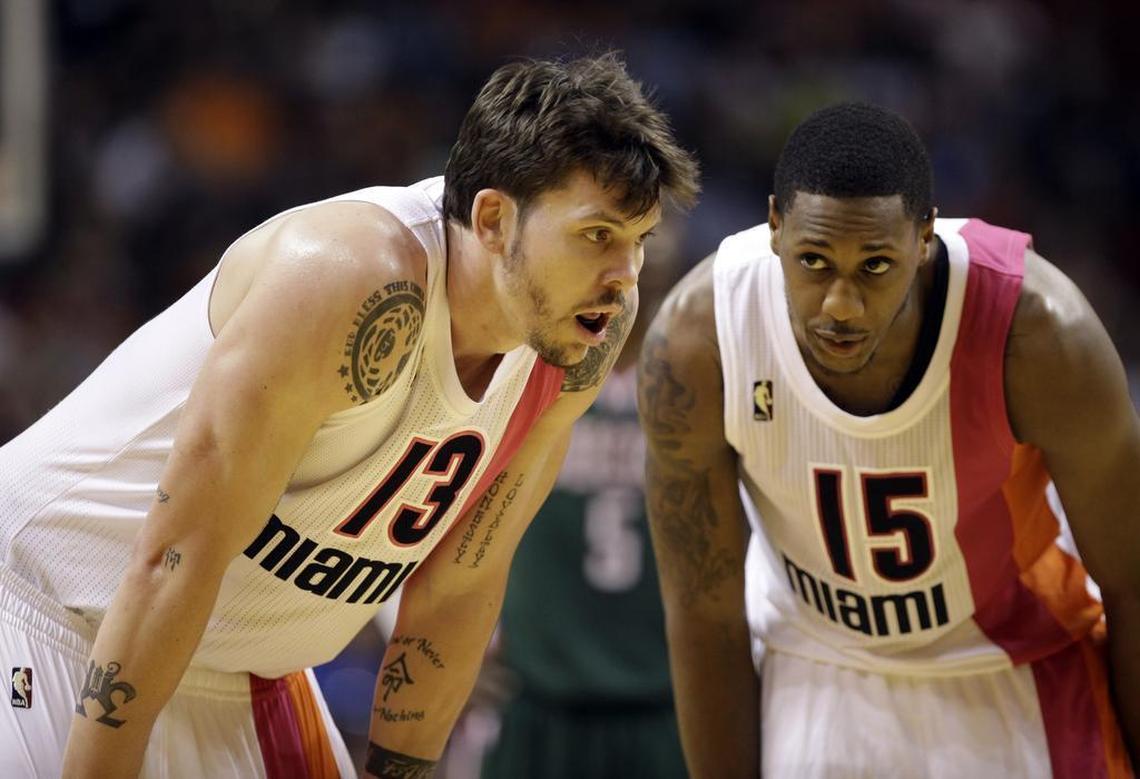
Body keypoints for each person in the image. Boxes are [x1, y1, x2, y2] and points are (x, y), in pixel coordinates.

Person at [0, 52, 699, 778]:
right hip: (61, 619)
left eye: (638, 240)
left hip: (245, 670)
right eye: (597, 236)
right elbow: (176, 558)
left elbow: (459, 587)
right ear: (493, 218)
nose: (625, 279)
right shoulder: (350, 280)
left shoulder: (577, 340)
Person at [639, 101, 1137, 778]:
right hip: (818, 669)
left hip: (1013, 668)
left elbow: (1131, 581)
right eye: (814, 261)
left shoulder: (1040, 335)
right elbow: (704, 616)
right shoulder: (702, 341)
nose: (840, 305)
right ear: (775, 228)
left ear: (924, 238)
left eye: (875, 266)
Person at [478, 226, 688, 779]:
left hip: (667, 700)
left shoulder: (700, 394)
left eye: (647, 245)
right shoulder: (525, 374)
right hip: (536, 695)